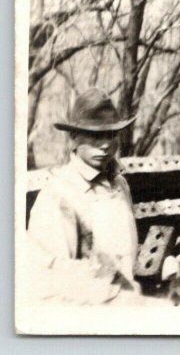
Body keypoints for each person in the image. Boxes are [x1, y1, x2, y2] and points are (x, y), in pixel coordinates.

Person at [26, 88, 141, 305]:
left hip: (126, 306)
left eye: (111, 134)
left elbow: (124, 257)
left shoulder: (119, 184)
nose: (106, 144)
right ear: (73, 138)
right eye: (96, 136)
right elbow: (51, 282)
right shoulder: (59, 195)